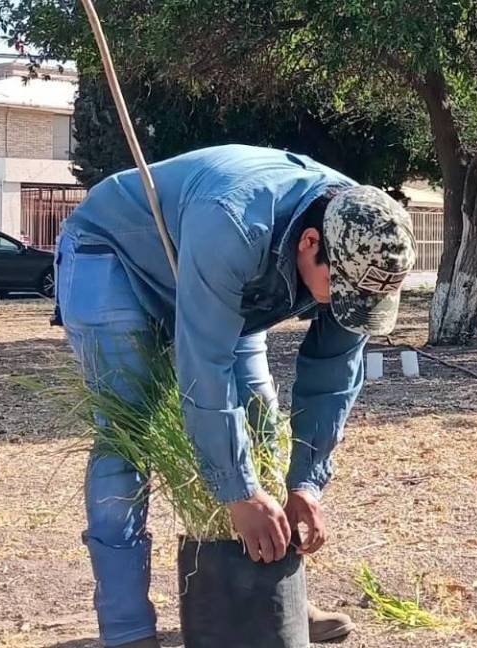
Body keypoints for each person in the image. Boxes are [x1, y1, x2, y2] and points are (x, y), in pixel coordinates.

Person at [55, 144, 416, 647]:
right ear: (310, 244)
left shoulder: (360, 239)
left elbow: (333, 374)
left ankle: (274, 600)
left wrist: (306, 485)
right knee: (127, 437)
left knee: (261, 425)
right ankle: (127, 628)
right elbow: (204, 367)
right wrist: (237, 492)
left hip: (231, 283)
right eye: (340, 291)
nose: (344, 307)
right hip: (114, 257)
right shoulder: (234, 222)